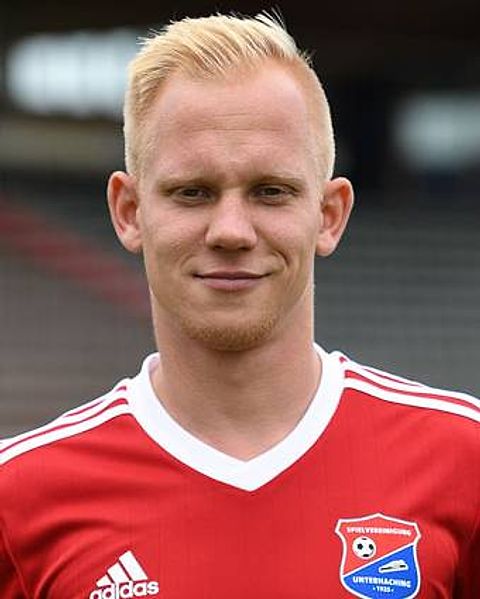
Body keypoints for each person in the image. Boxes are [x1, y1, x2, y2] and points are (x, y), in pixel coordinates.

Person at [1, 11, 478, 599]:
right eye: (192, 192)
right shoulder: (19, 499)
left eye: (270, 192)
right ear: (129, 212)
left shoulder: (463, 463)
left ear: (329, 215)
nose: (231, 230)